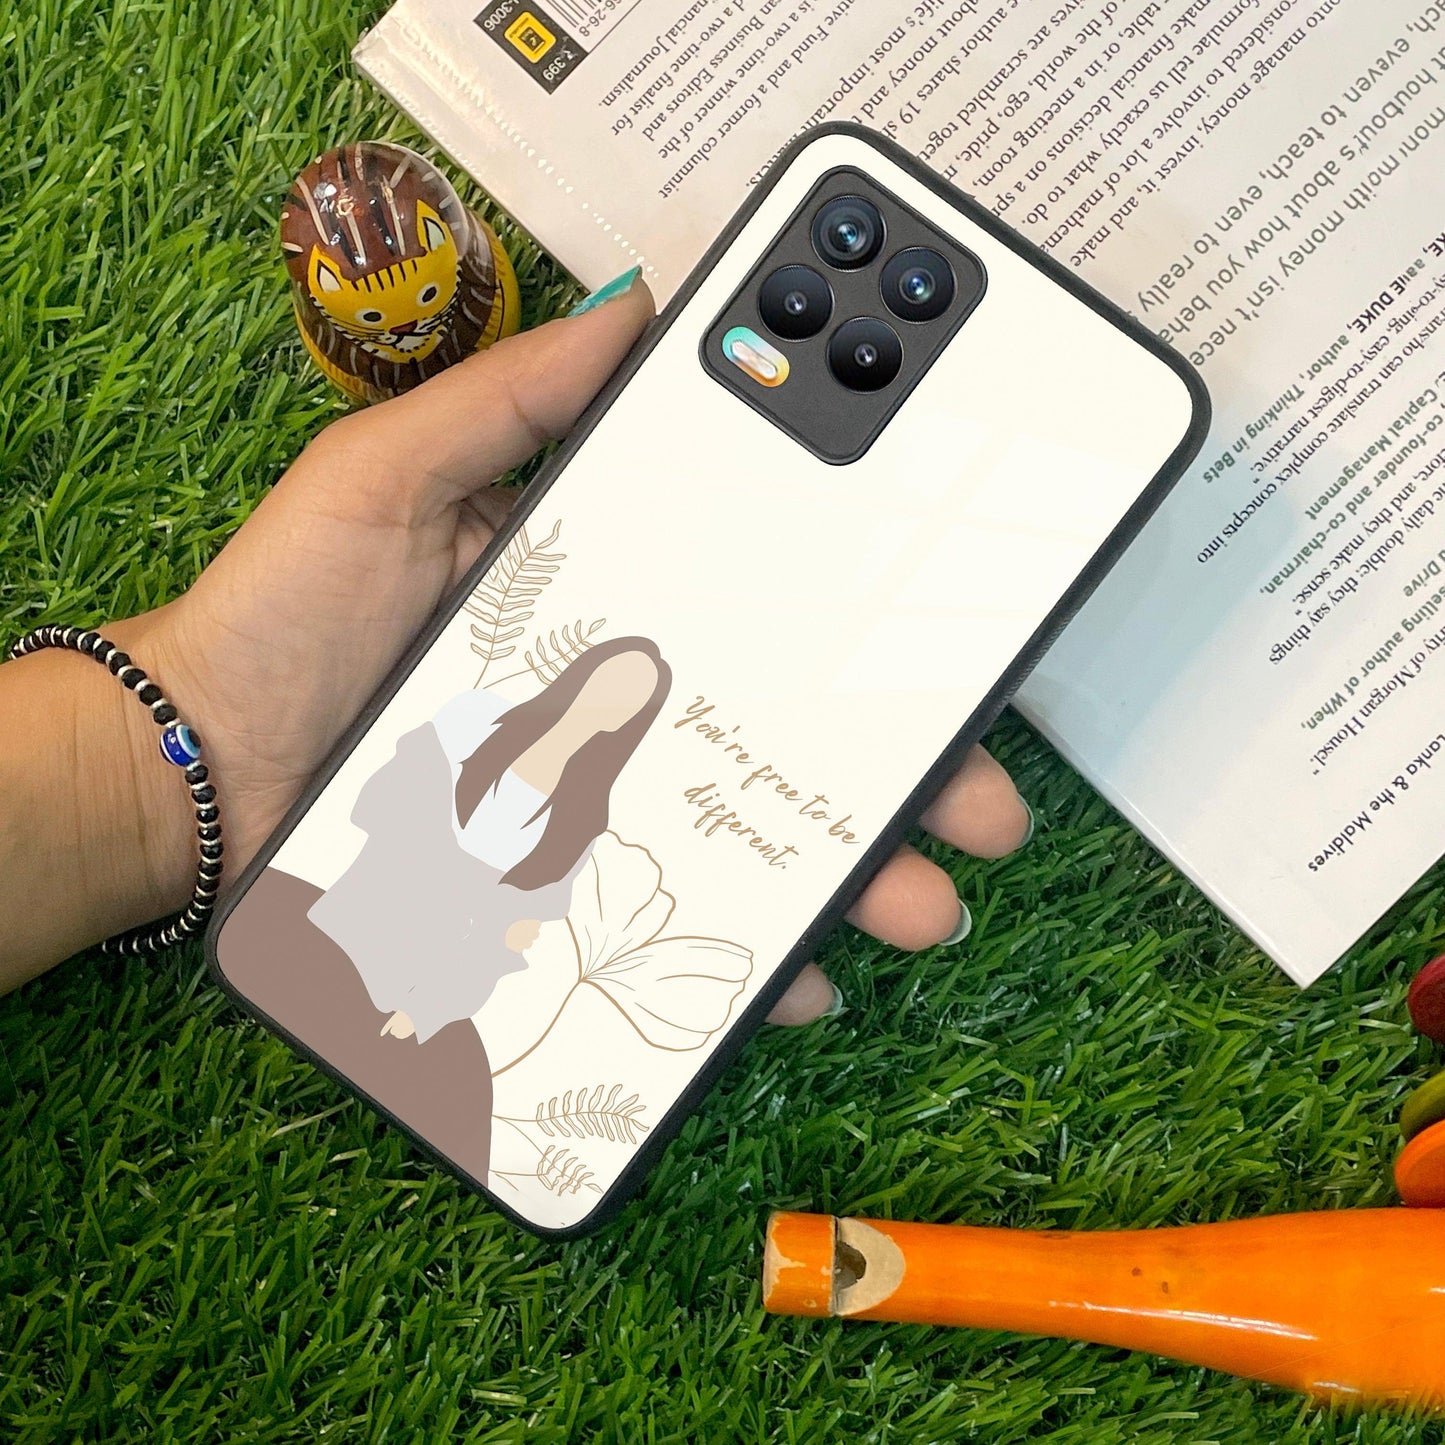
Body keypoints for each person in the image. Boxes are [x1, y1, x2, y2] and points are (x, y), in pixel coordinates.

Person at [0, 272, 1033, 1028]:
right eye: (608, 687)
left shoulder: (602, 801)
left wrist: (140, 782)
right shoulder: (475, 716)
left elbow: (542, 895)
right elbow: (398, 796)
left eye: (624, 703)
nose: (607, 709)